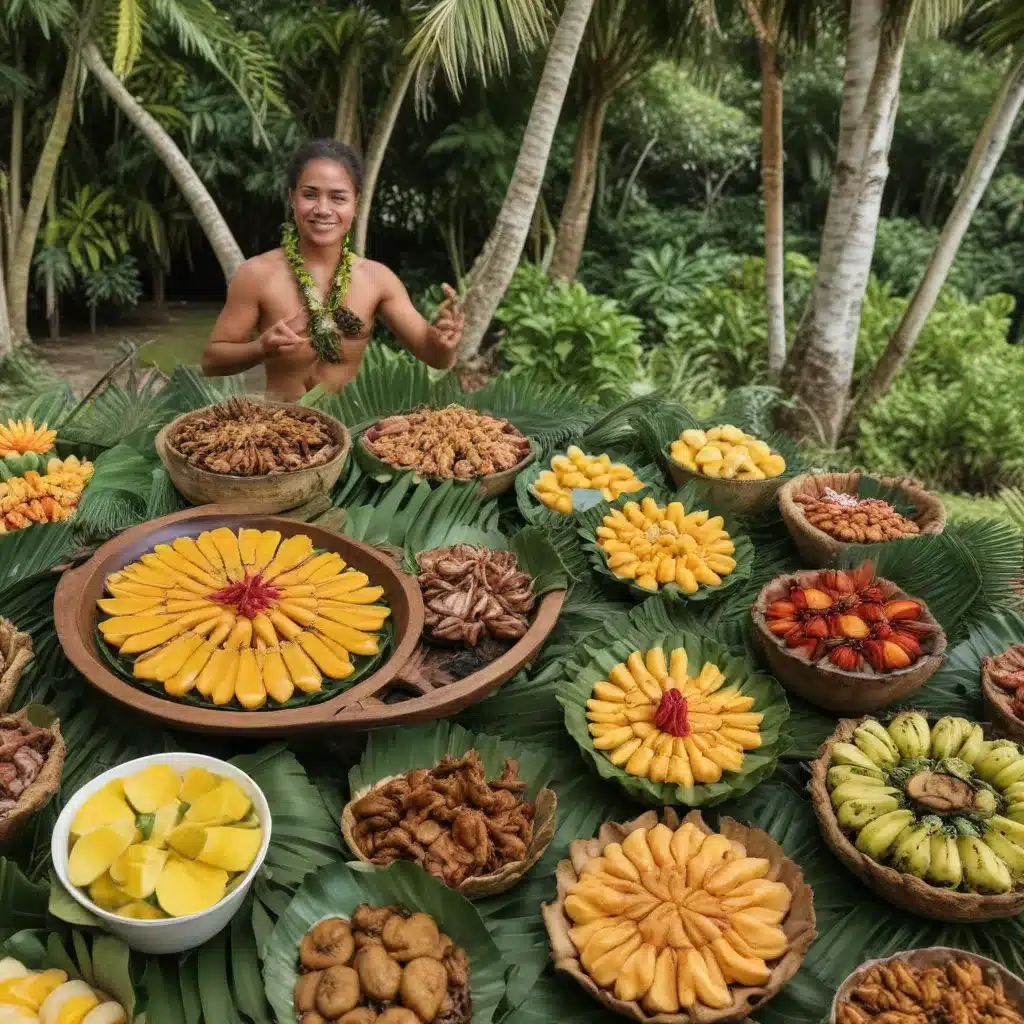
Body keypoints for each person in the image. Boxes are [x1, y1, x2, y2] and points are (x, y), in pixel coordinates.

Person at [202, 138, 464, 400]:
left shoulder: (377, 280)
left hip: (349, 429)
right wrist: (261, 348)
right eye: (310, 195)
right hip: (279, 428)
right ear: (292, 197)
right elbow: (212, 361)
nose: (323, 209)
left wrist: (444, 341)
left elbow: (436, 357)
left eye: (338, 197)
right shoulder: (257, 274)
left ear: (356, 203)